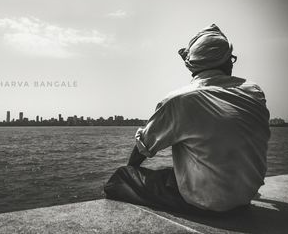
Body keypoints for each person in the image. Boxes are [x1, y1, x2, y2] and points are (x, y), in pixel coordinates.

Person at [104, 24, 271, 213]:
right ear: (226, 62)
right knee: (174, 173)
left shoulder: (180, 100)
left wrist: (131, 172)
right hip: (244, 196)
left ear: (193, 66)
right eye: (231, 59)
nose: (232, 63)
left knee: (121, 176)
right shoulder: (254, 91)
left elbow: (144, 146)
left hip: (206, 203)